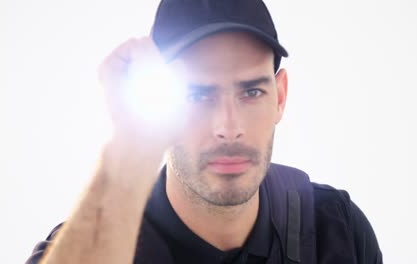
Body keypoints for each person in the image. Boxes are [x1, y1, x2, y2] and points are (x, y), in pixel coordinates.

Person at [26, 0, 383, 263]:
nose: (229, 128)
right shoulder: (96, 246)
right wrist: (129, 149)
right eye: (197, 94)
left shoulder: (335, 229)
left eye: (251, 92)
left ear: (280, 96)